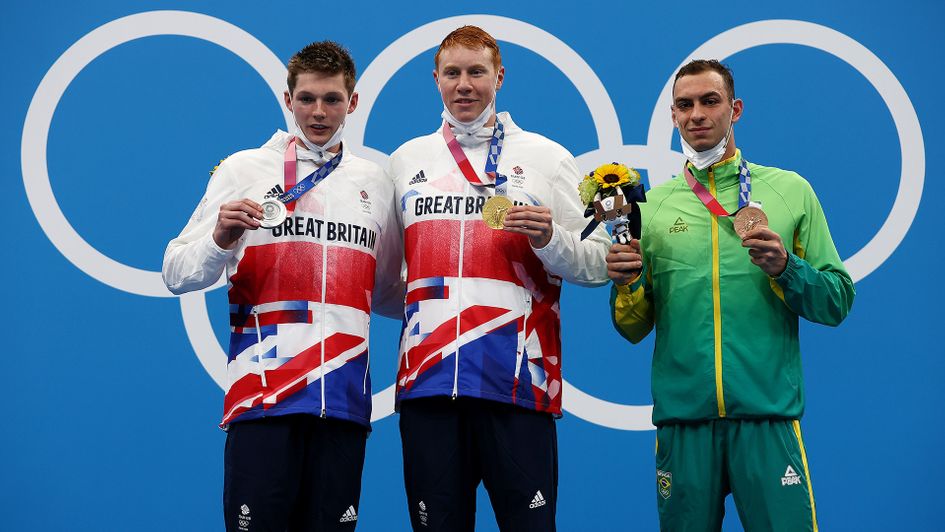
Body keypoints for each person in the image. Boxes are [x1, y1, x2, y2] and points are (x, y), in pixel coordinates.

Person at [162, 41, 402, 532]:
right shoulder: (243, 169)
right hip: (263, 399)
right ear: (287, 98)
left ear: (352, 103)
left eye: (332, 100)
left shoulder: (375, 183)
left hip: (342, 403)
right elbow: (176, 272)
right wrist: (220, 238)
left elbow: (387, 292)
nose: (319, 112)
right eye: (308, 98)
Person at [607, 59, 855, 531]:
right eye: (685, 105)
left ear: (735, 109)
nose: (697, 114)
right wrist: (627, 284)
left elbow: (837, 300)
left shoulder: (789, 192)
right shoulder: (651, 207)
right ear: (673, 116)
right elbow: (632, 327)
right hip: (684, 424)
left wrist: (787, 268)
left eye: (710, 101)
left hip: (766, 417)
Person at [387, 25, 610, 531]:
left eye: (476, 72)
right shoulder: (405, 161)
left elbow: (598, 262)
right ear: (436, 79)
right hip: (429, 385)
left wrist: (549, 239)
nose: (464, 85)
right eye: (452, 73)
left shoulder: (546, 158)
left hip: (518, 383)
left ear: (499, 77)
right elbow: (385, 280)